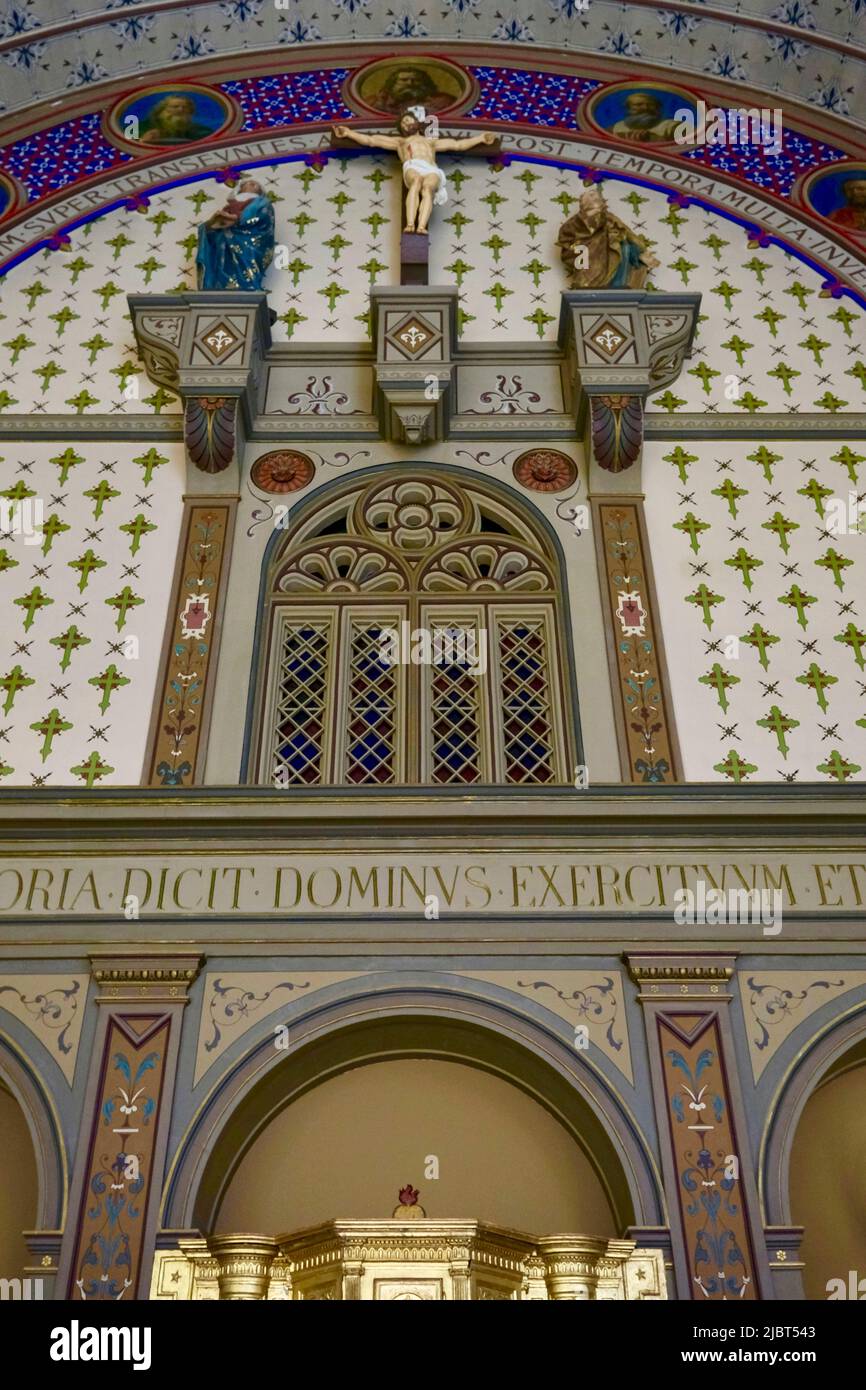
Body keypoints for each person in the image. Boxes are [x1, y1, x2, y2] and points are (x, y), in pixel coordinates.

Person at [333, 109, 495, 234]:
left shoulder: (431, 142)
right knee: (416, 182)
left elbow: (457, 145)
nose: (406, 124)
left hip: (431, 168)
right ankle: (410, 224)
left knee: (428, 189)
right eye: (403, 123)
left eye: (409, 120)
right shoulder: (400, 142)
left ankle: (421, 226)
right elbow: (371, 140)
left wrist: (481, 138)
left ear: (417, 123)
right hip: (412, 165)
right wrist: (349, 133)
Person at [557, 187, 659, 289]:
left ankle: (618, 283)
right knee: (586, 277)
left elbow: (628, 233)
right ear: (584, 204)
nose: (597, 202)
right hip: (589, 258)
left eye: (598, 199)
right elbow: (567, 240)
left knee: (626, 248)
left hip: (609, 255)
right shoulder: (574, 222)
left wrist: (642, 250)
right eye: (593, 199)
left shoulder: (609, 217)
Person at [195, 178, 275, 291]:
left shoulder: (262, 202)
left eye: (255, 184)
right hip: (225, 243)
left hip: (250, 242)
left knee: (247, 262)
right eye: (247, 183)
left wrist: (236, 219)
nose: (252, 184)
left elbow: (262, 218)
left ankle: (249, 285)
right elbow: (214, 229)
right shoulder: (230, 206)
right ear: (240, 189)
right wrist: (210, 225)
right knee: (223, 259)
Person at [362, 66, 453, 116]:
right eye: (404, 80)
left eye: (416, 80)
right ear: (393, 84)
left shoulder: (443, 101)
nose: (410, 83)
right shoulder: (374, 101)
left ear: (425, 83)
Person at [139, 95, 214, 145]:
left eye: (185, 107)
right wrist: (143, 141)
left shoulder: (201, 131)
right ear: (161, 111)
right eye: (175, 107)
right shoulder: (142, 127)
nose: (181, 109)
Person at [610, 92, 678, 143]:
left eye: (651, 105)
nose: (645, 108)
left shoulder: (671, 126)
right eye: (638, 105)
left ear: (657, 108)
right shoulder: (616, 127)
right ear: (629, 108)